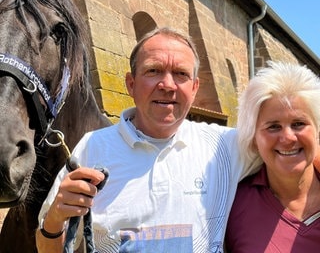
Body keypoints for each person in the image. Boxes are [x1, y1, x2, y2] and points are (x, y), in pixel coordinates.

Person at [36, 27, 261, 253]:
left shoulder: (225, 146)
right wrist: (55, 218)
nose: (168, 85)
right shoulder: (93, 147)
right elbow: (47, 249)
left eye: (181, 74)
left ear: (194, 88)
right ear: (131, 84)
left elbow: (289, 148)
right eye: (153, 70)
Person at [225, 61, 320, 252]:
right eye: (273, 127)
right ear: (254, 139)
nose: (288, 138)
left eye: (299, 123)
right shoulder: (233, 204)